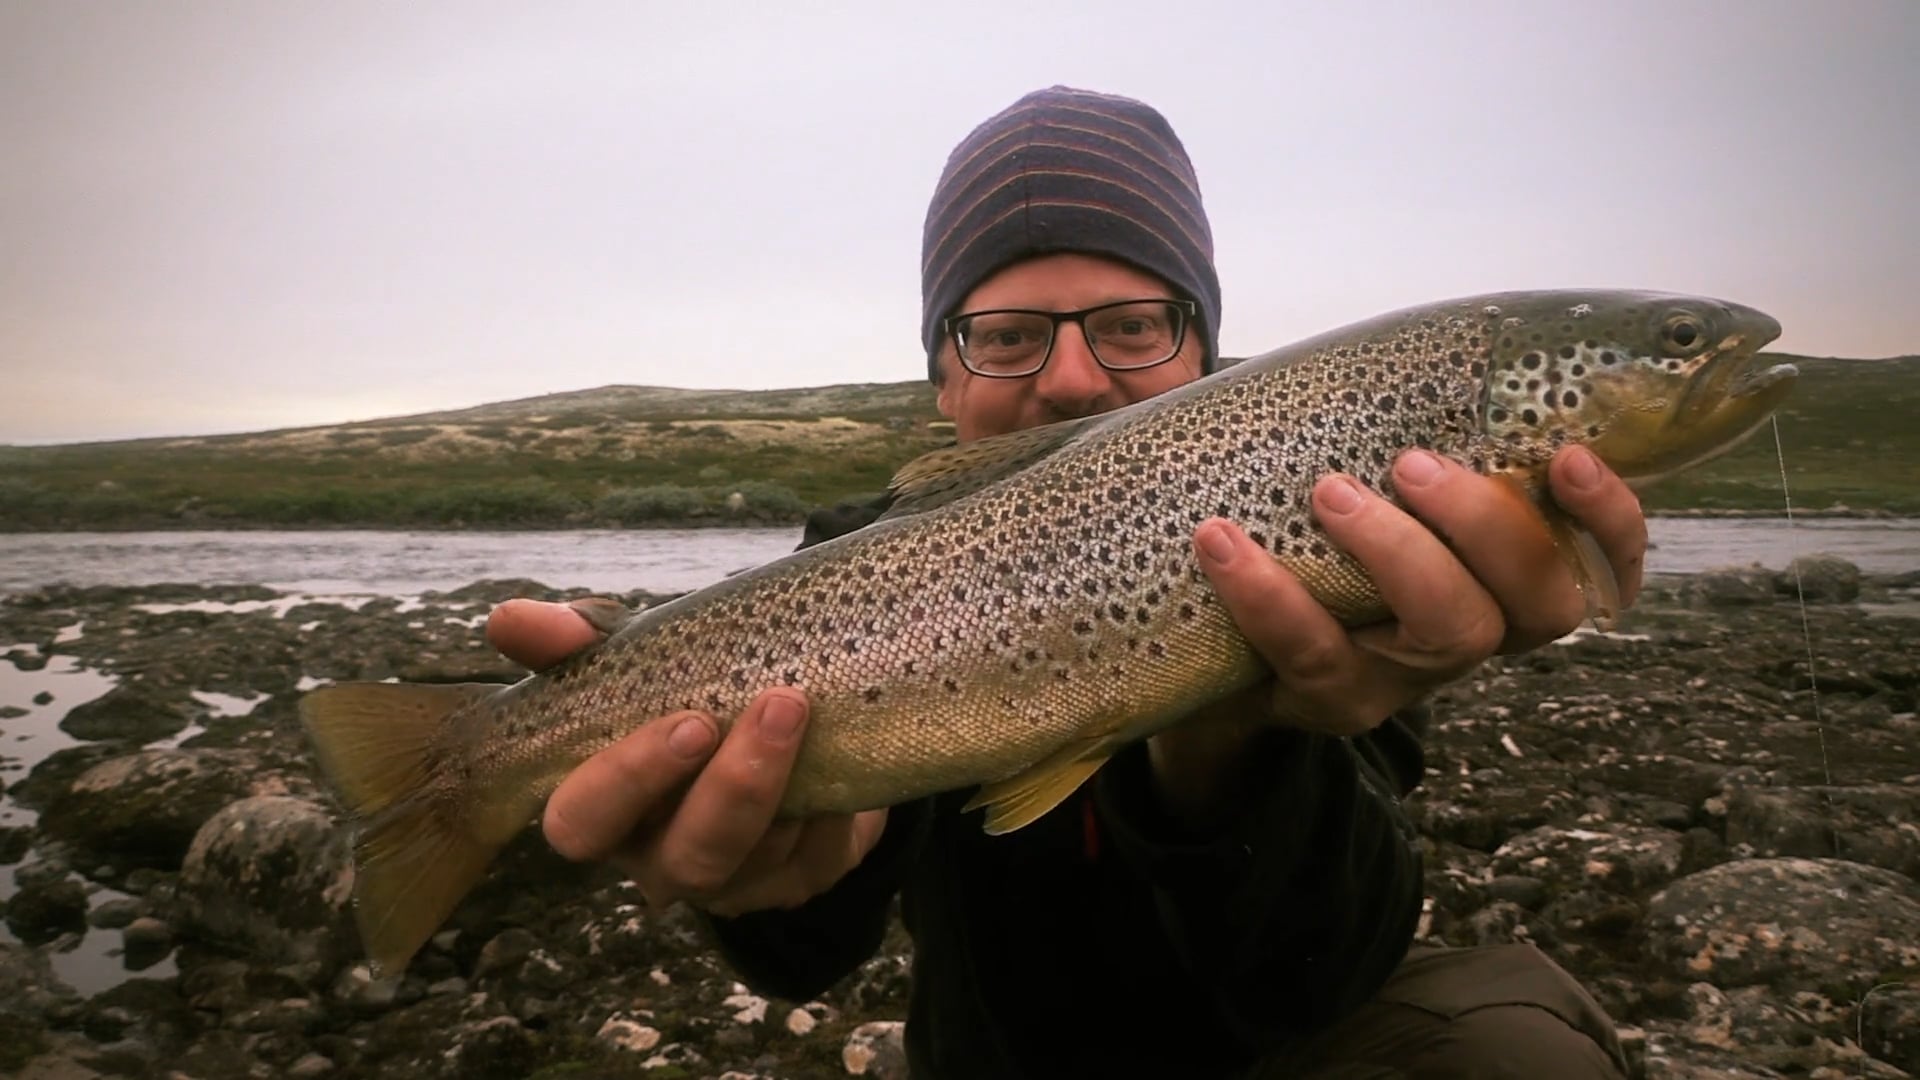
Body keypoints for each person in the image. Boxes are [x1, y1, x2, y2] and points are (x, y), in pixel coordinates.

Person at [487, 86, 1639, 1078]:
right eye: (1006, 335)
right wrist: (763, 873)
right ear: (944, 376)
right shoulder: (855, 561)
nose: (1077, 377)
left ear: (1207, 360)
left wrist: (1236, 736)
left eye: (1134, 324)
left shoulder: (1350, 546)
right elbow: (806, 953)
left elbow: (1319, 972)